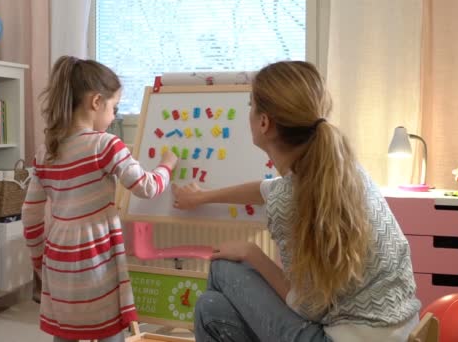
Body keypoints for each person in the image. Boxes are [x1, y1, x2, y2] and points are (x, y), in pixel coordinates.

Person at [172, 61, 421, 342]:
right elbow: (268, 189)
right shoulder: (344, 168)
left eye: (250, 105)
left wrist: (253, 254)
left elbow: (307, 307)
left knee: (222, 268)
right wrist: (203, 197)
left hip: (340, 337)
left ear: (264, 122)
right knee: (210, 308)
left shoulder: (289, 200)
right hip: (401, 327)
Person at [22, 56, 178, 342]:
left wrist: (38, 259)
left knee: (66, 330)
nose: (114, 116)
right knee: (108, 328)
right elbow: (146, 186)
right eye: (114, 108)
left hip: (58, 257)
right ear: (96, 102)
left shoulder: (46, 152)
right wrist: (167, 165)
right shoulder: (105, 144)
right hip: (95, 256)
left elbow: (30, 217)